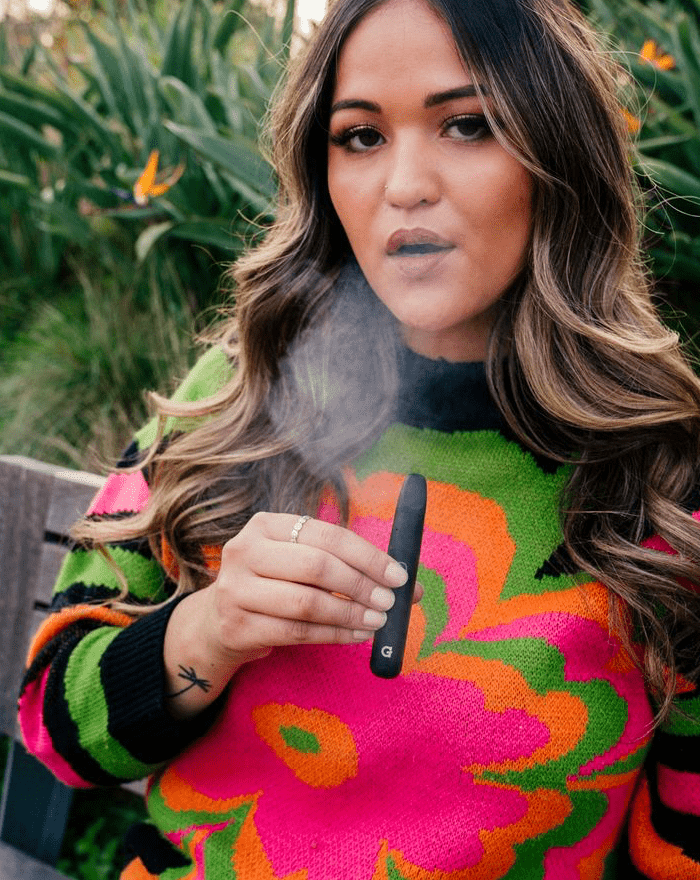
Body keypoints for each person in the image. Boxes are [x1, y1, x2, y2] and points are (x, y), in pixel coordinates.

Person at [18, 0, 700, 875]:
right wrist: (207, 632)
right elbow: (51, 725)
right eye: (361, 137)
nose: (404, 185)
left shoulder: (663, 472)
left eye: (467, 124)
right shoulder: (240, 393)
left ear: (558, 154)